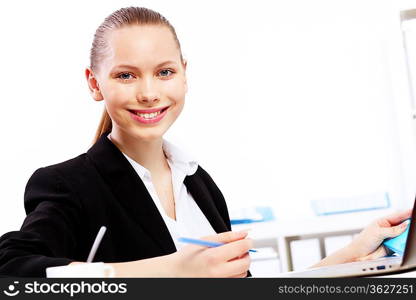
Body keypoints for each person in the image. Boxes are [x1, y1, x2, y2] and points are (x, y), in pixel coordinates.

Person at [0, 6, 411, 278]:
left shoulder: (200, 184)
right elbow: (13, 270)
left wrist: (355, 253)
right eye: (126, 75)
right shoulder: (68, 184)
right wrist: (171, 271)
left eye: (164, 72)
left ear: (184, 74)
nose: (148, 92)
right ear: (95, 84)